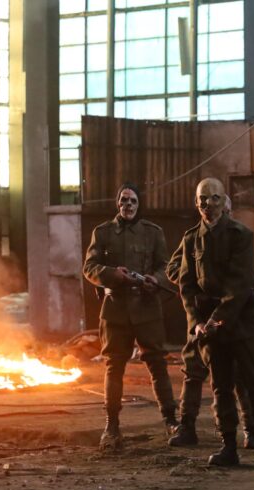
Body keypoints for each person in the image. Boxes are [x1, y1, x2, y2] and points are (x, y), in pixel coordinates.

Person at [177, 177, 254, 470]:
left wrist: (214, 320)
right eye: (202, 199)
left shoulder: (241, 235)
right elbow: (187, 286)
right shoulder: (191, 239)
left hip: (242, 325)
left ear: (224, 201)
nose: (208, 204)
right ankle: (228, 447)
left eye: (214, 198)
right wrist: (196, 323)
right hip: (212, 331)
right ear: (196, 203)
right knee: (221, 389)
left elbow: (240, 285)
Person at [83, 183, 178, 452]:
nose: (128, 205)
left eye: (133, 201)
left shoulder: (153, 233)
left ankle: (171, 421)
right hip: (116, 309)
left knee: (157, 363)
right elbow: (89, 267)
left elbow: (165, 266)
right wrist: (112, 274)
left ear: (139, 204)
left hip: (147, 307)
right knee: (114, 366)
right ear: (118, 203)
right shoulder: (102, 232)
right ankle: (111, 426)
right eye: (124, 200)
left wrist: (155, 279)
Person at [166, 196, 254, 451]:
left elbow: (246, 279)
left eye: (225, 210)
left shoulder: (238, 238)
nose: (219, 213)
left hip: (232, 317)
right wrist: (196, 283)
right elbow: (175, 267)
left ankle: (250, 430)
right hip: (202, 317)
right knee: (193, 370)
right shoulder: (194, 238)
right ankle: (187, 426)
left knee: (239, 376)